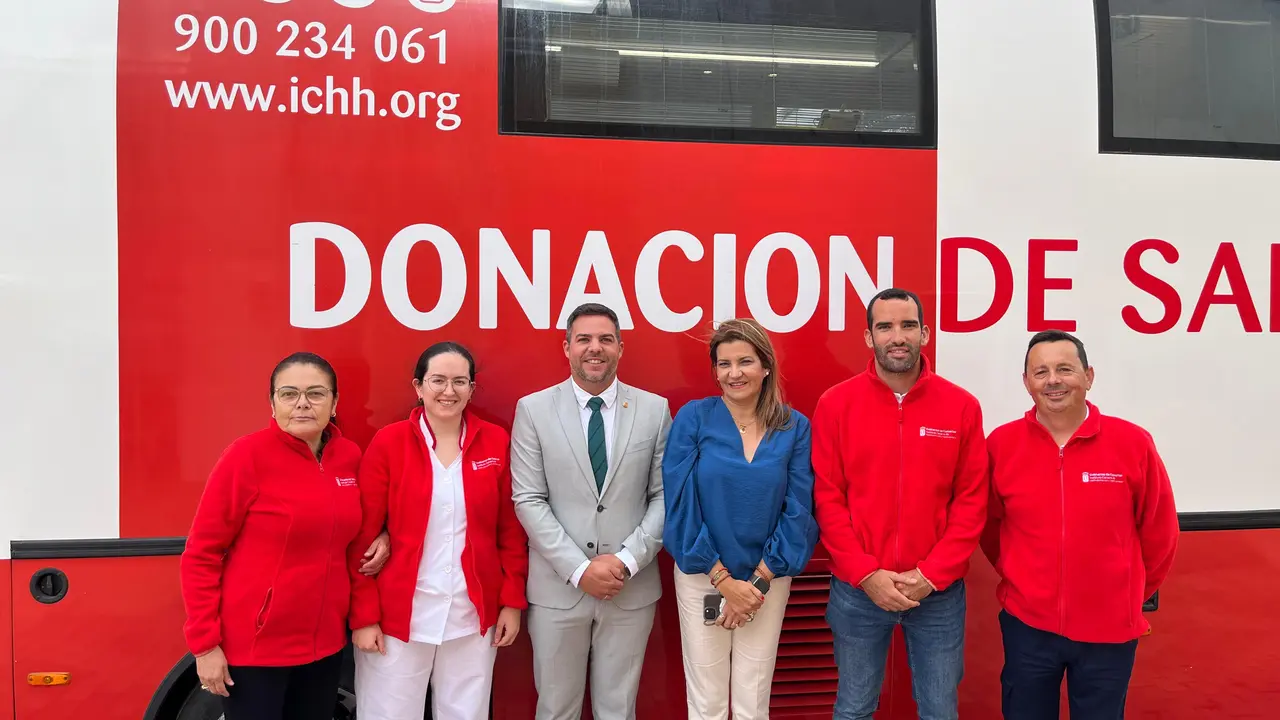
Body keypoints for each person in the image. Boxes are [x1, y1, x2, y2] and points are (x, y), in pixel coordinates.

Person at [981, 330, 1179, 720]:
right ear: (1026, 382)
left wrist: (1127, 592)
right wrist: (1019, 574)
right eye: (1040, 372)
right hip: (1028, 626)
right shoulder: (1001, 445)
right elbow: (989, 525)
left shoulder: (1132, 443)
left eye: (1065, 369)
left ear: (1088, 376)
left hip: (1109, 629)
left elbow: (1160, 532)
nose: (1052, 380)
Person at [811, 288, 989, 720]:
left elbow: (971, 501)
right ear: (868, 337)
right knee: (853, 708)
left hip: (937, 594)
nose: (897, 336)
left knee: (939, 710)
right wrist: (865, 573)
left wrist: (931, 574)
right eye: (885, 326)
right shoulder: (835, 404)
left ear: (925, 334)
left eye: (908, 326)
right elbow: (827, 498)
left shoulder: (961, 406)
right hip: (858, 590)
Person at [180, 351, 380, 720]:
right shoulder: (246, 456)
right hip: (256, 650)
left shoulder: (349, 457)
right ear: (273, 403)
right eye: (289, 394)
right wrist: (205, 646)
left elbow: (356, 538)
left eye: (316, 393)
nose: (302, 403)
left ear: (335, 402)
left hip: (325, 647)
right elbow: (201, 554)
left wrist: (384, 538)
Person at [348, 342, 529, 720]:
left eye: (460, 381)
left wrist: (511, 602)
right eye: (438, 380)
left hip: (472, 616)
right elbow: (362, 536)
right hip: (399, 617)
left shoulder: (495, 441)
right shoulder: (390, 443)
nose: (449, 391)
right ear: (418, 386)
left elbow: (510, 532)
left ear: (472, 389)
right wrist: (364, 617)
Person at [510, 302, 671, 720]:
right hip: (558, 590)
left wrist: (626, 561)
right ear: (567, 347)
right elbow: (528, 498)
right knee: (556, 709)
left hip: (629, 587)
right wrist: (580, 569)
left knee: (618, 709)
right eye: (583, 339)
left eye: (605, 339)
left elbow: (665, 496)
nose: (594, 348)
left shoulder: (654, 410)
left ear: (620, 347)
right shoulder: (533, 409)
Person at [662, 318, 819, 720]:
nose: (734, 373)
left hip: (767, 580)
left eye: (745, 361)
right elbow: (680, 504)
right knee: (707, 701)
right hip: (704, 578)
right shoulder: (694, 418)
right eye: (724, 364)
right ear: (715, 371)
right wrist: (723, 582)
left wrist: (756, 583)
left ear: (765, 366)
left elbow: (799, 509)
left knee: (753, 700)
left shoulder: (794, 426)